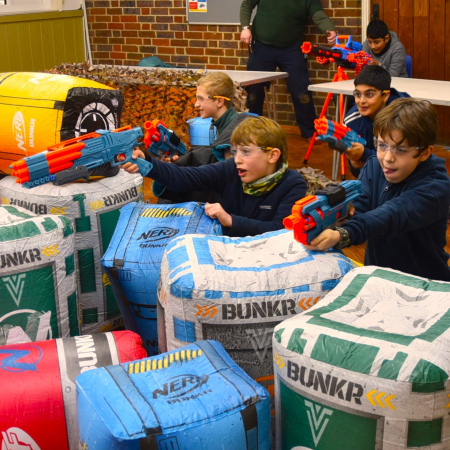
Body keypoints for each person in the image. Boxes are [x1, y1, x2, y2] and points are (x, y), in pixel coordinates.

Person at [306, 98, 450, 282]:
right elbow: (361, 205)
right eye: (382, 145)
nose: (388, 158)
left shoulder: (435, 186)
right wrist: (339, 216)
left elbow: (392, 215)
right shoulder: (375, 165)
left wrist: (342, 234)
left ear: (424, 152)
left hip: (423, 284)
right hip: (378, 278)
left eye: (400, 149)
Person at [121, 116, 307, 237]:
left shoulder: (293, 184)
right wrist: (147, 162)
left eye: (246, 152)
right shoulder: (230, 169)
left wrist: (230, 220)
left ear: (272, 155)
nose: (237, 159)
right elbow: (184, 177)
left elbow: (281, 231)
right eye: (235, 151)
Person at [239, 0, 336, 141]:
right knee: (254, 91)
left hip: (292, 48)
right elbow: (247, 4)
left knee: (301, 90)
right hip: (262, 46)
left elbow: (317, 13)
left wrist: (329, 29)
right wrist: (245, 27)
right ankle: (251, 132)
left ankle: (309, 132)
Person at [155, 71, 252, 204]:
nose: (196, 104)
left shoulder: (235, 133)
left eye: (201, 99)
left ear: (219, 101)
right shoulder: (225, 125)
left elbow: (229, 178)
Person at [343, 65, 409, 177]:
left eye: (369, 94)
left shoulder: (405, 117)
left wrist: (364, 155)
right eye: (358, 94)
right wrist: (355, 162)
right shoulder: (351, 121)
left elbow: (404, 162)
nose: (361, 101)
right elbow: (357, 171)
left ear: (385, 96)